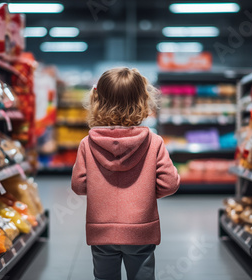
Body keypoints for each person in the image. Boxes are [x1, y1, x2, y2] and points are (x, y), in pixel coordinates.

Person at [71, 67, 180, 280]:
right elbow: (169, 183)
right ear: (143, 101)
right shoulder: (154, 142)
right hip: (141, 229)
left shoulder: (87, 143)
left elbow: (78, 185)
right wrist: (145, 190)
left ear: (97, 101)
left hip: (101, 230)